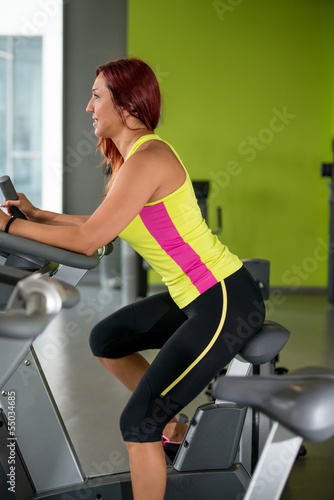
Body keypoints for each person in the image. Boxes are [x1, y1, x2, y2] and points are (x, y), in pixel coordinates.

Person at [0, 57, 265, 500]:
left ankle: (159, 427)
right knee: (107, 339)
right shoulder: (130, 161)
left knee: (138, 424)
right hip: (193, 298)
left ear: (127, 105)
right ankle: (177, 426)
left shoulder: (150, 157)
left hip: (223, 298)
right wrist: (35, 214)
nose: (89, 107)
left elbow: (89, 239)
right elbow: (100, 223)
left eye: (97, 95)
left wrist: (7, 229)